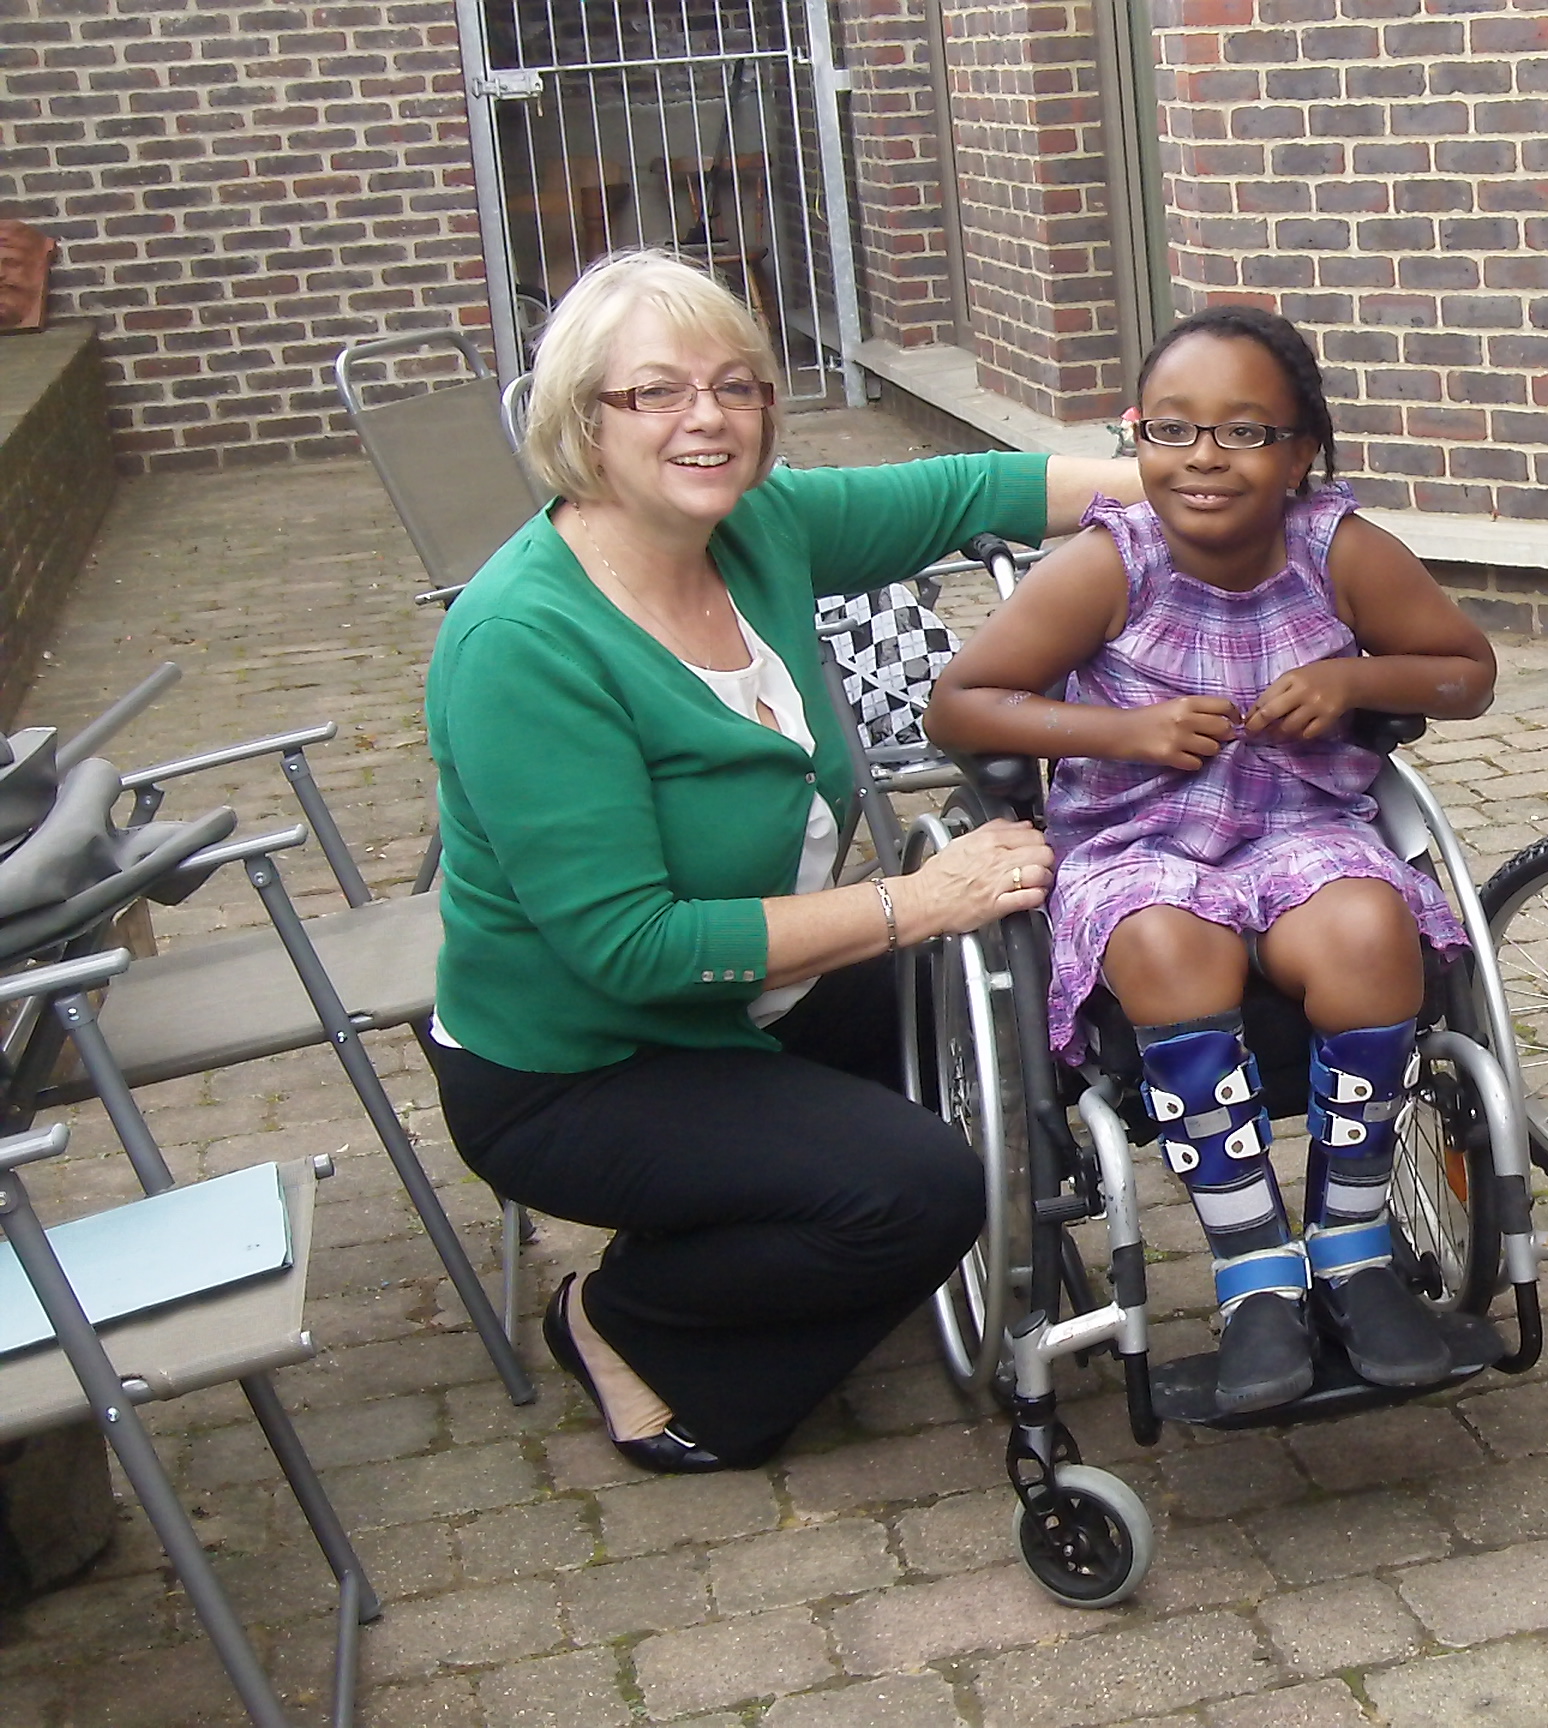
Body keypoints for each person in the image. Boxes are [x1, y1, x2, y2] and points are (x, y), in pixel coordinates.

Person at [420, 250, 1143, 1473]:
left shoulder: (752, 532)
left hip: (763, 993)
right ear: (578, 421)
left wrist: (1184, 479)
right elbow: (630, 949)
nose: (706, 419)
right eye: (653, 393)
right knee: (916, 1191)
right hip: (586, 1062)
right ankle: (624, 1320)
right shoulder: (522, 643)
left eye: (736, 385)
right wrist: (914, 903)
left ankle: (815, 1213)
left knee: (1056, 980)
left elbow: (966, 488)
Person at [926, 305, 1498, 1415]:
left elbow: (1465, 672)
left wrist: (1356, 682)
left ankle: (1353, 1249)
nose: (1202, 457)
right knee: (1164, 945)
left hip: (1300, 830)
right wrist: (1117, 731)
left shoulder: (1341, 552)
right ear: (1137, 437)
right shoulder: (1109, 564)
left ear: (1299, 454)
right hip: (1136, 841)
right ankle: (1252, 1275)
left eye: (1243, 433)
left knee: (1375, 928)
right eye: (1171, 428)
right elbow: (962, 704)